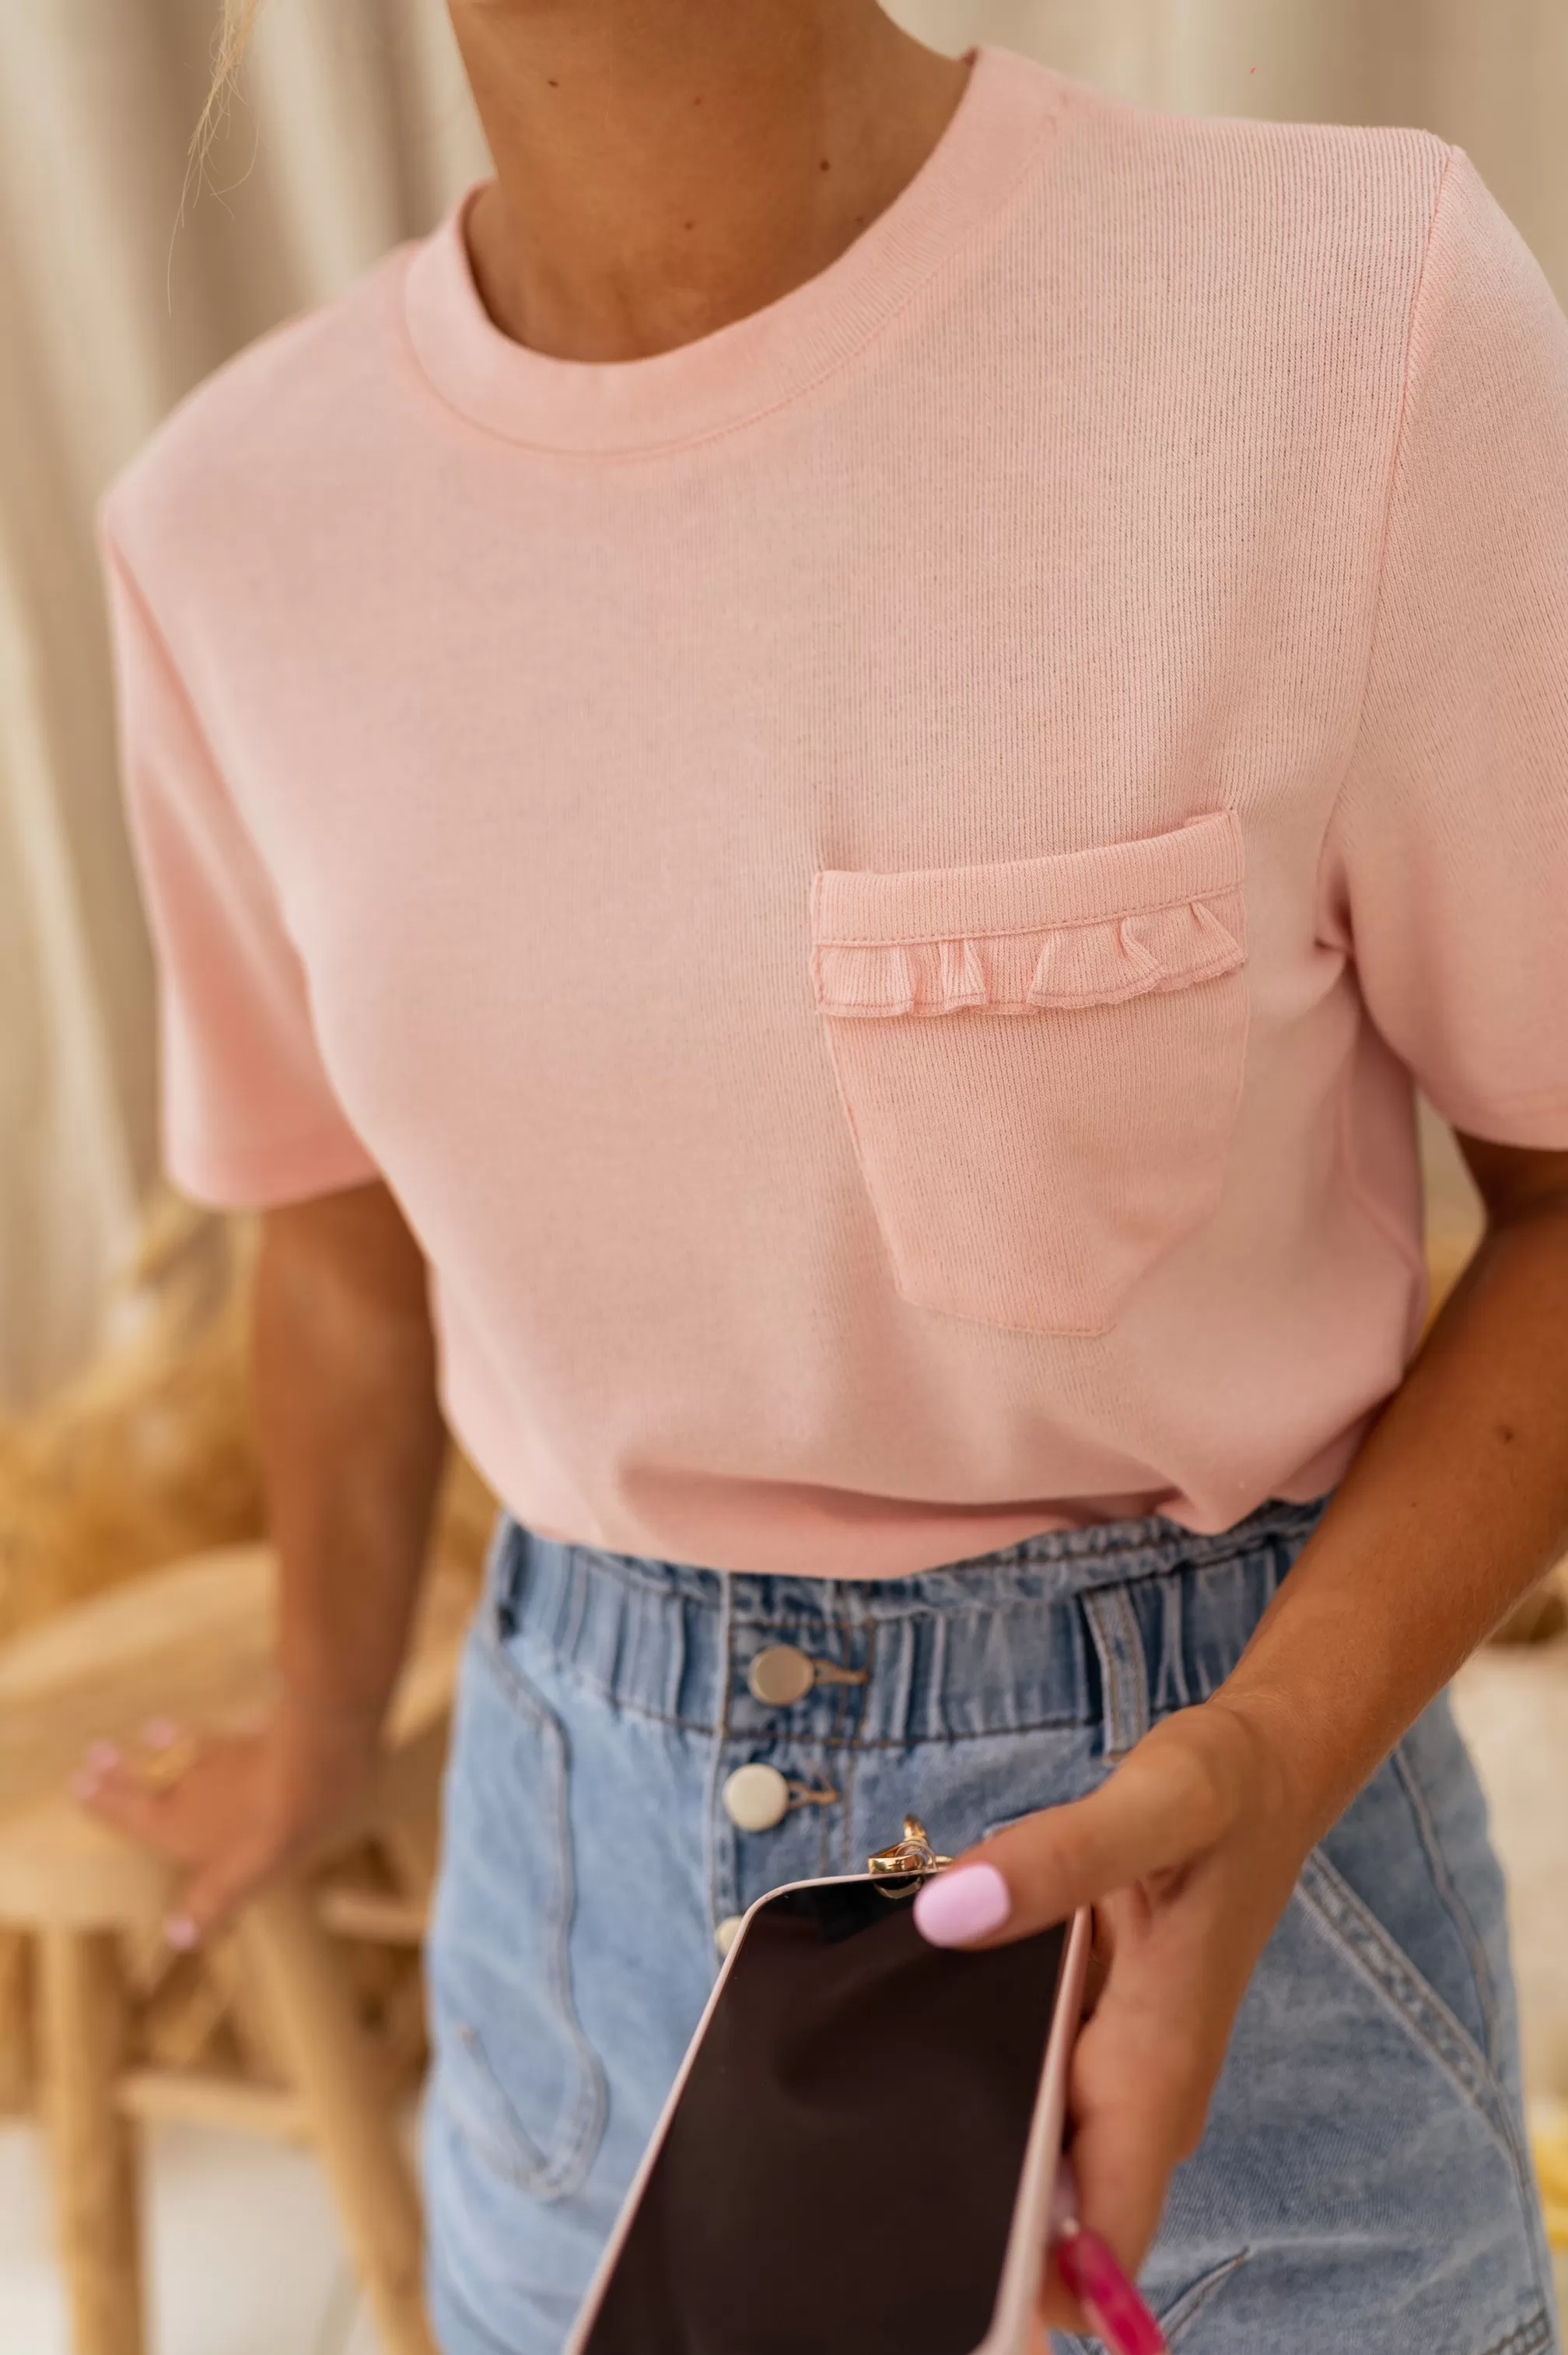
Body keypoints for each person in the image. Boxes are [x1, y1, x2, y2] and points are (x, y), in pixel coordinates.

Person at [76, 5, 1568, 2351]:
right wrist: (318, 1717)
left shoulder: (1343, 328)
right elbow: (341, 1250)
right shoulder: (228, 531)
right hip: (574, 1954)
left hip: (1228, 1925)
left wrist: (1271, 1755)